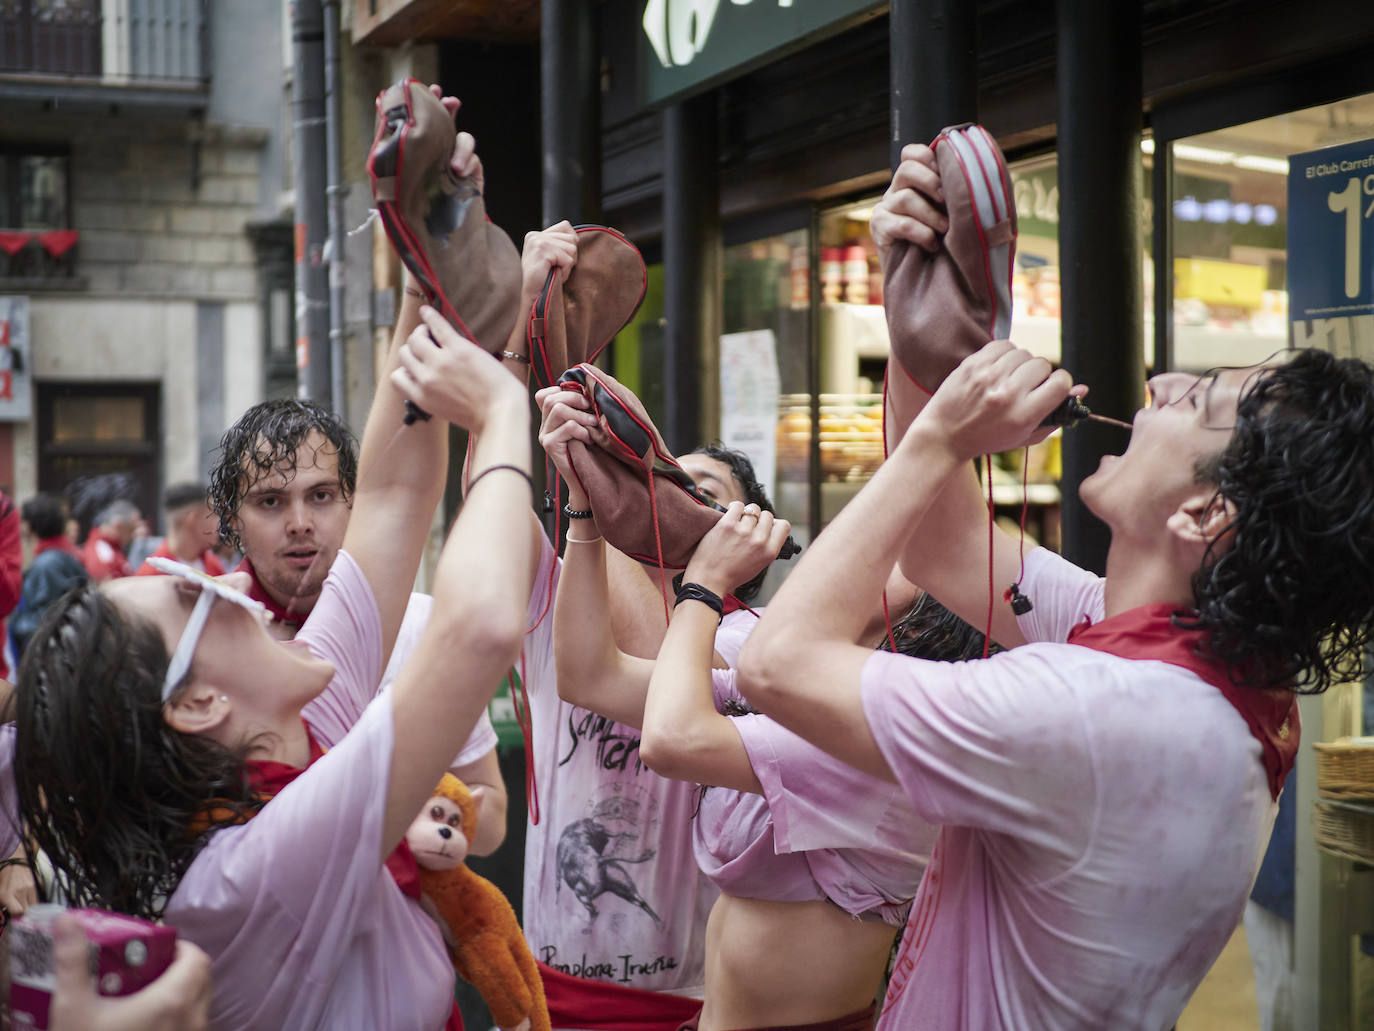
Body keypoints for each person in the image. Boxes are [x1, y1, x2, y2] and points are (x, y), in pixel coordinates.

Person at [734, 143, 1374, 1030]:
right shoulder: (1182, 662)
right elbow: (946, 548)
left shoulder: (1111, 710)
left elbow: (778, 664)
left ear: (1203, 517)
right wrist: (920, 346)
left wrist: (938, 443)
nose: (1158, 383)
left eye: (1194, 401)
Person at [11, 100, 538, 1029]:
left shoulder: (274, 742)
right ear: (198, 705)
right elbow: (483, 622)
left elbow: (385, 504)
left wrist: (425, 276)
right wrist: (501, 418)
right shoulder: (248, 864)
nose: (224, 591)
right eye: (191, 602)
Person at [207, 397, 507, 856]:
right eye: (270, 502)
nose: (300, 524)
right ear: (232, 520)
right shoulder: (202, 642)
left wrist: (407, 817)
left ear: (354, 502)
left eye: (321, 496)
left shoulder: (421, 627)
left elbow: (492, 823)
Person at [11, 493, 87, 664]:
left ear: (29, 526)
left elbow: (44, 622)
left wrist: (13, 622)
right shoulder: (62, 554)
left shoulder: (47, 563)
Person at [135, 482, 224, 577]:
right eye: (213, 515)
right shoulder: (152, 574)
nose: (219, 522)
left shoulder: (212, 564)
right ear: (192, 520)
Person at [80, 498, 140, 582]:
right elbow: (104, 588)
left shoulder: (111, 548)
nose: (133, 536)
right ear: (118, 526)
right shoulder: (101, 550)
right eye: (131, 530)